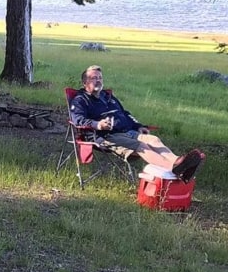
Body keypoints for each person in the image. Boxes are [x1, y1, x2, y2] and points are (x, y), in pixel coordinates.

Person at [70, 65, 204, 183]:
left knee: (154, 139)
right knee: (142, 146)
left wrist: (138, 126)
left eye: (100, 77)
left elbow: (125, 114)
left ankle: (178, 162)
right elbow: (77, 120)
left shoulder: (108, 97)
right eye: (94, 78)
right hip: (104, 136)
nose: (98, 80)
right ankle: (172, 169)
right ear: (84, 83)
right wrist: (97, 124)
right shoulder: (80, 100)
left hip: (125, 131)